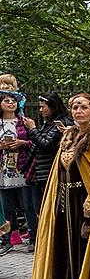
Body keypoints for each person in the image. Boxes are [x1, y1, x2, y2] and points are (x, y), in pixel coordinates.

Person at [29, 93, 90, 279]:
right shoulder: (69, 135)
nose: (78, 112)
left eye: (83, 107)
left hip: (85, 199)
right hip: (64, 199)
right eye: (74, 108)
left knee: (84, 246)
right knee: (63, 245)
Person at [22, 93, 72, 253]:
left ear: (52, 107)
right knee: (38, 208)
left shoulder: (61, 123)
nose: (41, 110)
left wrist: (32, 129)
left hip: (50, 172)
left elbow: (46, 144)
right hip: (39, 173)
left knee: (50, 209)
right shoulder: (48, 123)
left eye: (43, 107)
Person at [0, 89, 35, 255]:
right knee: (6, 206)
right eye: (6, 100)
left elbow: (33, 142)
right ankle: (6, 239)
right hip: (4, 169)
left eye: (13, 100)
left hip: (22, 167)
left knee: (27, 204)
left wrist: (21, 142)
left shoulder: (24, 122)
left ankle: (33, 237)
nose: (10, 103)